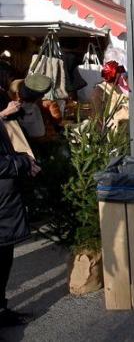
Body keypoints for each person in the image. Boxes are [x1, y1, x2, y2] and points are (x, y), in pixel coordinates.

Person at [0, 117, 40, 327]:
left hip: (5, 205)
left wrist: (25, 162)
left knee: (5, 260)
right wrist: (21, 163)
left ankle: (2, 310)